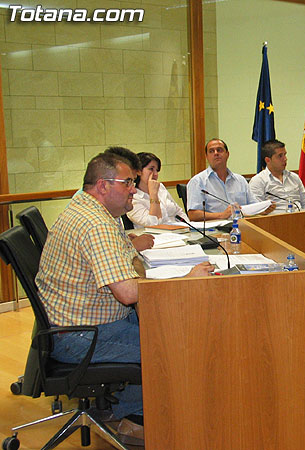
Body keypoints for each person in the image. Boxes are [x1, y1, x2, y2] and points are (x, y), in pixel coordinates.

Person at [36, 153, 213, 444]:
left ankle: (129, 411)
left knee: (160, 324)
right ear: (103, 186)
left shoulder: (93, 211)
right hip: (79, 336)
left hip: (84, 322)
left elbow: (130, 260)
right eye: (127, 182)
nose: (133, 188)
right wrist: (186, 280)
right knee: (169, 342)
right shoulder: (96, 224)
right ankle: (135, 421)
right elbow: (128, 292)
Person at [187, 138, 276, 220]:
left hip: (243, 227)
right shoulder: (198, 181)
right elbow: (193, 214)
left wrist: (263, 210)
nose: (216, 153)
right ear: (206, 156)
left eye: (219, 150)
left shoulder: (240, 180)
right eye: (211, 151)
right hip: (215, 230)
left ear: (227, 154)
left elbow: (253, 205)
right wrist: (222, 215)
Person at [249, 139, 305, 212]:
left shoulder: (294, 177)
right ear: (268, 160)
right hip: (274, 221)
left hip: (300, 219)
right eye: (280, 156)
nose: (285, 159)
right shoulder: (258, 181)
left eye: (285, 154)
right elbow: (257, 210)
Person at [127, 152, 189, 228]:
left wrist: (188, 227)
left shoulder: (161, 187)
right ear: (139, 171)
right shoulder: (133, 197)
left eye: (157, 170)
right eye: (151, 169)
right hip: (154, 237)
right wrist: (153, 194)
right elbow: (153, 224)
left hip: (177, 232)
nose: (155, 174)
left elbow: (179, 212)